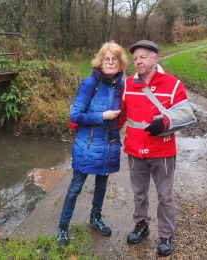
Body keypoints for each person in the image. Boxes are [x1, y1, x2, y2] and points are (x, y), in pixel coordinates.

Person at [118, 40, 196, 256]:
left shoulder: (173, 84)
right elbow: (122, 114)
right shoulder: (128, 85)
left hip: (162, 151)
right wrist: (109, 134)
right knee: (139, 194)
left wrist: (165, 122)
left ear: (155, 58)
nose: (138, 61)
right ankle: (141, 225)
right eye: (135, 58)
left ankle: (165, 234)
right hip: (135, 150)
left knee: (165, 196)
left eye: (143, 57)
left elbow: (186, 114)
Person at [57, 41, 128, 246]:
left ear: (120, 63)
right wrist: (102, 116)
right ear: (100, 61)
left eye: (115, 59)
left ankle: (95, 217)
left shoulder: (120, 85)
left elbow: (137, 92)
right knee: (75, 188)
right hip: (87, 145)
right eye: (107, 58)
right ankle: (63, 227)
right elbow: (75, 115)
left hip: (109, 144)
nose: (111, 62)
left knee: (101, 185)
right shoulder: (90, 84)